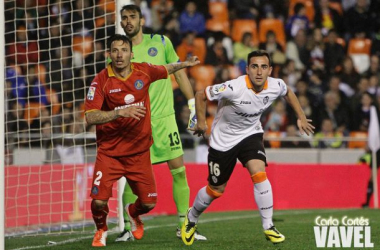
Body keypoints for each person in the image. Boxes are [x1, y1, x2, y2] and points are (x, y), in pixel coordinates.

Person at [181, 50, 315, 246]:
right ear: (247, 69)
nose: (259, 72)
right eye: (254, 66)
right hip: (223, 141)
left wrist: (301, 116)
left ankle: (268, 226)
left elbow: (288, 92)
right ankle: (191, 217)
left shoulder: (275, 85)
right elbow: (201, 94)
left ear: (270, 70)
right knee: (216, 189)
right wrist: (201, 122)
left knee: (259, 173)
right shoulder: (234, 87)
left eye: (263, 67)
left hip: (250, 134)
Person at [84, 34, 200, 247]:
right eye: (115, 50)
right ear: (109, 54)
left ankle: (133, 213)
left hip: (138, 152)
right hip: (110, 152)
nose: (119, 55)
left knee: (148, 203)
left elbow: (167, 69)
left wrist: (186, 63)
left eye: (124, 50)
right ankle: (101, 229)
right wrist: (119, 113)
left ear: (131, 53)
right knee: (99, 200)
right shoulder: (101, 79)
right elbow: (90, 116)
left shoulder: (143, 70)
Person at [116, 4, 207, 241]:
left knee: (179, 172)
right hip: (136, 124)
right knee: (131, 177)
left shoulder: (161, 42)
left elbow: (179, 73)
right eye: (124, 18)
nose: (128, 21)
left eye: (132, 17)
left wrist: (191, 107)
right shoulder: (118, 52)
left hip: (165, 120)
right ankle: (127, 228)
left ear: (141, 20)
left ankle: (184, 226)